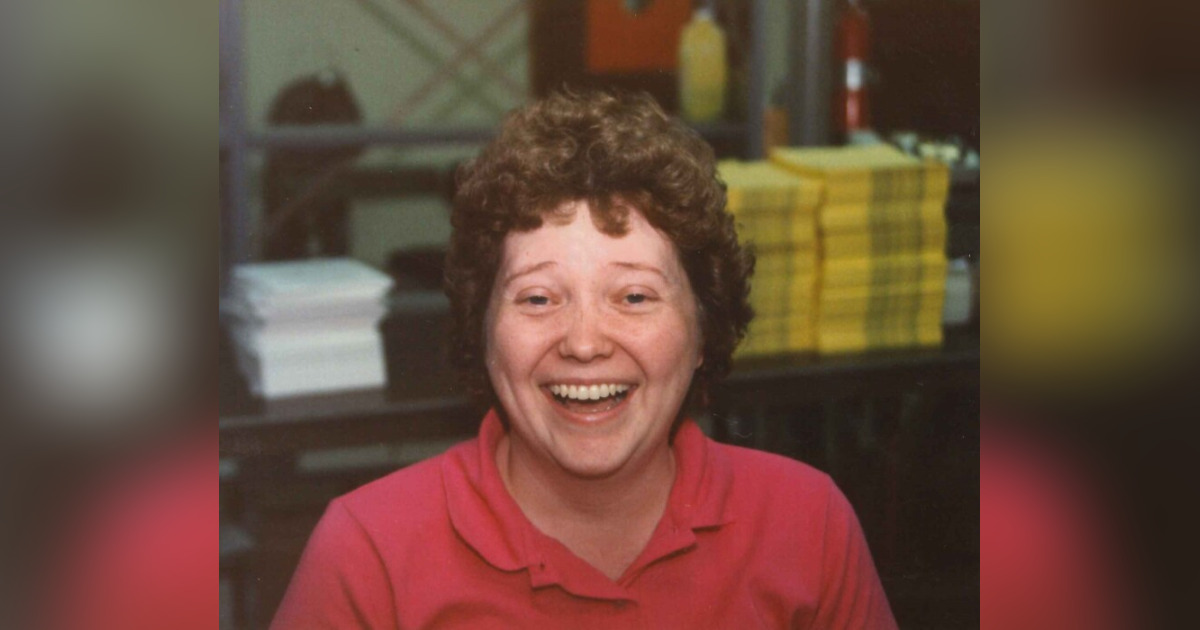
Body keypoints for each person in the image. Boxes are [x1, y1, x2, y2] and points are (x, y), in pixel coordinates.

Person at [271, 89, 897, 629]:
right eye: (538, 298)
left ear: (704, 329)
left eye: (634, 297)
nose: (585, 342)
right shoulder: (368, 553)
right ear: (482, 332)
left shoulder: (807, 525)